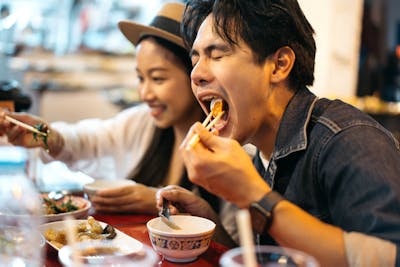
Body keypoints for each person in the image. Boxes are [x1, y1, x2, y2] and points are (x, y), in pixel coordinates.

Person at [157, 0, 400, 266]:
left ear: (279, 65)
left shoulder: (350, 140)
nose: (197, 74)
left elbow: (390, 256)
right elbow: (269, 258)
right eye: (195, 60)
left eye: (216, 55)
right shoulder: (258, 152)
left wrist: (254, 195)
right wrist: (209, 220)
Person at [0, 2, 218, 215]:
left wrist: (155, 201)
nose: (145, 93)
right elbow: (88, 140)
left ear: (196, 75)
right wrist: (50, 136)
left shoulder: (226, 146)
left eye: (157, 78)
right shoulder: (141, 123)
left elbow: (237, 241)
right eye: (141, 78)